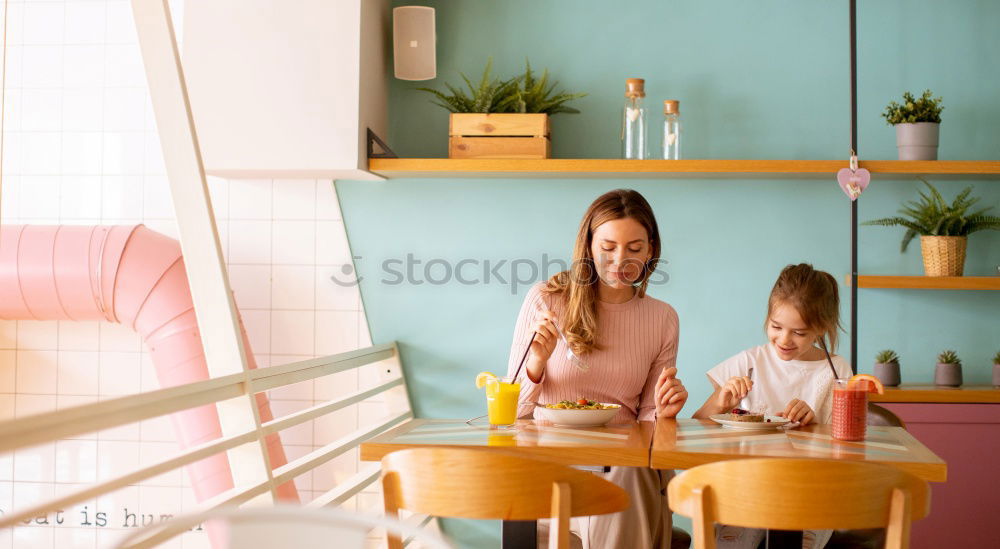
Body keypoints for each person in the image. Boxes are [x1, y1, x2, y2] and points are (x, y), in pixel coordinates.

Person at [506, 188, 688, 549]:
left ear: (651, 249)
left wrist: (664, 412)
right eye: (607, 248)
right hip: (554, 466)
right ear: (588, 246)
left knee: (628, 473)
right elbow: (508, 412)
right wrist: (536, 365)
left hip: (624, 467)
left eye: (634, 249)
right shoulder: (547, 299)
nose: (620, 260)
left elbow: (650, 421)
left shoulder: (662, 317)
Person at [693, 263, 853, 549]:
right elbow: (696, 426)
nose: (784, 340)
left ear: (822, 328)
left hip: (812, 492)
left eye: (799, 333)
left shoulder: (836, 371)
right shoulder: (749, 362)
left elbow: (848, 445)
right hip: (748, 487)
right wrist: (721, 402)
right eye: (776, 327)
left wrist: (815, 421)